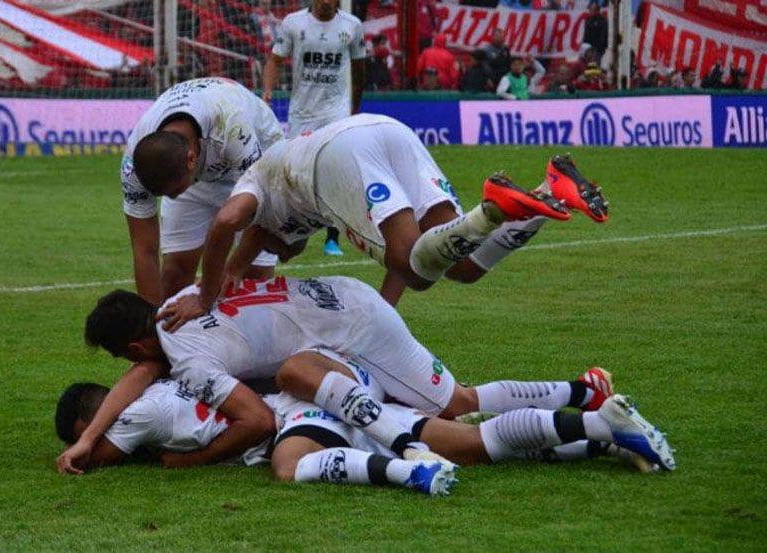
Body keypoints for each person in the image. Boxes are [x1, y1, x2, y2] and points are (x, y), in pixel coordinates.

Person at [60, 273, 622, 475]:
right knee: (450, 407)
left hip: (353, 334)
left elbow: (254, 421)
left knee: (453, 405)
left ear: (137, 345)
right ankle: (583, 392)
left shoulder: (188, 358)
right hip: (339, 299)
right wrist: (90, 436)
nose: (132, 370)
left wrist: (191, 461)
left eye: (126, 358)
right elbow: (143, 373)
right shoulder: (183, 299)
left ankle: (406, 454)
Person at [161, 115, 607, 310]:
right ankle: (551, 191)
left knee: (415, 266)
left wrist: (206, 295)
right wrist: (382, 315)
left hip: (335, 159)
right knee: (462, 266)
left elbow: (225, 222)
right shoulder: (281, 222)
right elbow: (399, 260)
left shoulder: (256, 188)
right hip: (387, 130)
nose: (286, 258)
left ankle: (492, 208)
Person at [54, 357, 676, 485]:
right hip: (347, 359)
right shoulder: (172, 360)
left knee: (289, 465)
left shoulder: (135, 412)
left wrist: (84, 447)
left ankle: (408, 472)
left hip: (310, 397)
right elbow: (141, 368)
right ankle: (596, 431)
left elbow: (257, 417)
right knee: (462, 414)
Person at [120, 77, 283, 306]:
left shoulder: (231, 125)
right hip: (196, 171)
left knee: (252, 278)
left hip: (259, 159)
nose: (170, 198)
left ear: (191, 160)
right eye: (163, 195)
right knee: (175, 273)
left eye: (174, 191)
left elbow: (259, 220)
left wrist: (227, 273)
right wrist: (152, 329)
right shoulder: (134, 166)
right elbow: (144, 249)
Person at [262, 0, 367, 258]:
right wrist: (267, 92)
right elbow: (275, 60)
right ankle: (289, 234)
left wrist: (354, 105)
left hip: (336, 111)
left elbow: (360, 67)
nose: (327, 2)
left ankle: (333, 238)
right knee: (293, 174)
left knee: (335, 169)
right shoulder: (293, 23)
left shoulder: (352, 26)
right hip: (302, 113)